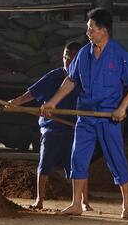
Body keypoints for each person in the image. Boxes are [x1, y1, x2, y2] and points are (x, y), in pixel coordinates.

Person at [40, 8, 128, 219]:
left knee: (116, 159)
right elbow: (71, 80)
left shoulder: (118, 54)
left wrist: (123, 107)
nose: (88, 33)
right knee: (78, 157)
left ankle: (127, 206)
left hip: (109, 117)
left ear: (103, 30)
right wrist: (52, 102)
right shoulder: (83, 54)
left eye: (91, 29)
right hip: (85, 115)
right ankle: (76, 204)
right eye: (88, 29)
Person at [6, 41, 89, 211]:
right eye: (66, 57)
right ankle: (39, 199)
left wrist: (83, 121)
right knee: (45, 162)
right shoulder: (54, 77)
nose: (67, 61)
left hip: (74, 127)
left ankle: (84, 201)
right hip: (52, 127)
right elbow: (33, 93)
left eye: (72, 58)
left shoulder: (85, 79)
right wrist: (17, 102)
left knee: (78, 164)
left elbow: (91, 103)